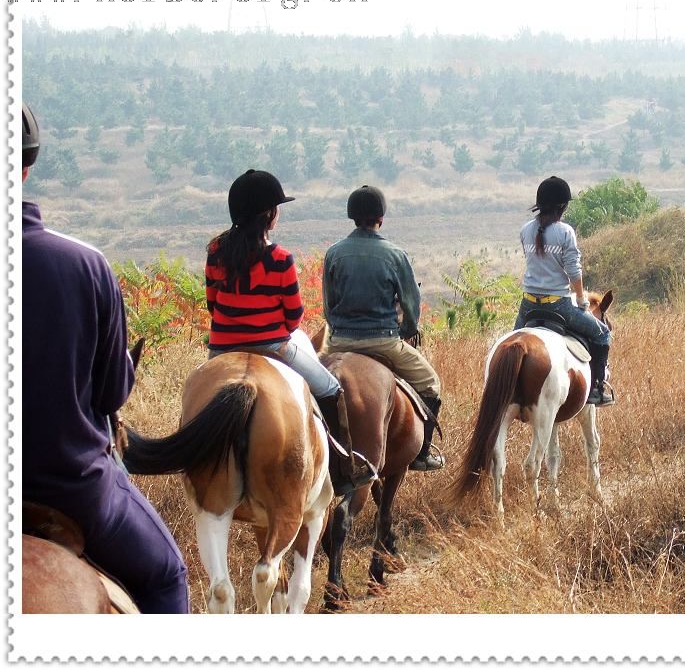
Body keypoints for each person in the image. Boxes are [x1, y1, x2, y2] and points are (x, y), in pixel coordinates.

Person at [21, 102, 190, 613]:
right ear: (27, 166)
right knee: (166, 577)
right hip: (68, 488)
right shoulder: (84, 264)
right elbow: (112, 393)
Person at [205, 169, 376, 495]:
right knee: (330, 389)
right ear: (269, 214)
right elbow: (293, 317)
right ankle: (344, 467)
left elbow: (213, 304)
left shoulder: (215, 251)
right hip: (273, 346)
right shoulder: (280, 258)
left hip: (222, 348)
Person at [322, 185, 444, 471]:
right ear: (381, 218)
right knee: (431, 383)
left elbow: (328, 305)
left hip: (339, 343)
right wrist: (406, 331)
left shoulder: (334, 253)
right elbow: (411, 308)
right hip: (385, 343)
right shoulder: (394, 255)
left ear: (352, 217)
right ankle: (421, 454)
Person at [514, 176, 615, 407]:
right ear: (563, 206)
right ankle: (597, 389)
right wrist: (580, 299)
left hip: (528, 304)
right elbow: (573, 270)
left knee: (509, 345)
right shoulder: (565, 232)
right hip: (557, 305)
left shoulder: (525, 230)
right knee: (602, 335)